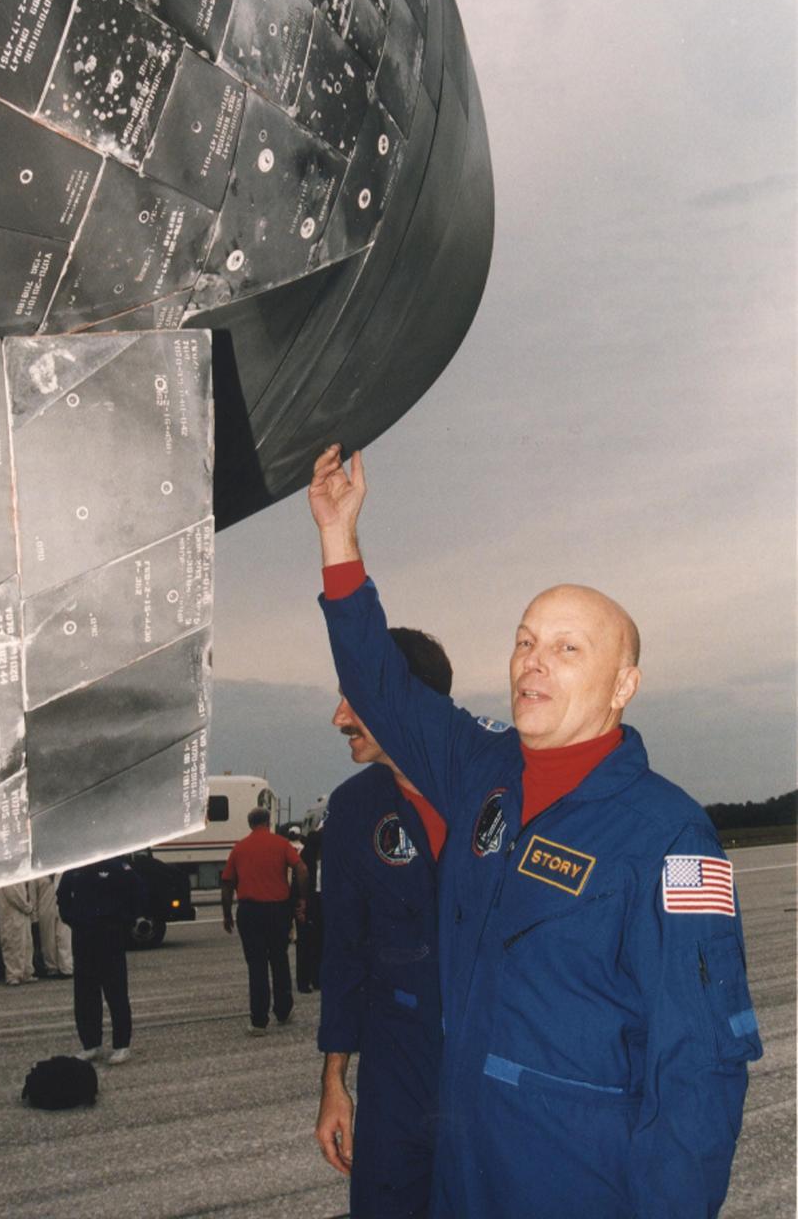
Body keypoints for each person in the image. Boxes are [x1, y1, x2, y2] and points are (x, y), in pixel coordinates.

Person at [308, 444, 762, 1219]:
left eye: (566, 648)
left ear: (622, 685)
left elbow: (698, 1068)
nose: (533, 662)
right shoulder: (483, 774)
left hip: (573, 1178)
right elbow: (380, 684)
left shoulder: (668, 836)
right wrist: (338, 539)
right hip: (463, 1164)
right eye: (524, 640)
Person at [315, 627, 452, 1219]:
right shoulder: (352, 809)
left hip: (491, 1058)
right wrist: (334, 1083)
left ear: (405, 697)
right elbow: (343, 953)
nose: (338, 716)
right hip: (397, 1066)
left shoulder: (496, 788)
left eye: (355, 698)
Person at [221, 808, 309, 1035]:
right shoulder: (281, 844)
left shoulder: (239, 848)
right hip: (278, 910)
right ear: (268, 822)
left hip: (250, 911)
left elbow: (228, 883)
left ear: (250, 825)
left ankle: (259, 1020)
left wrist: (227, 913)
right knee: (279, 959)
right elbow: (301, 869)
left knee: (257, 965)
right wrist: (301, 898)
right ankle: (283, 1009)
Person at [57, 857, 147, 1064]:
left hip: (110, 935)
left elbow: (139, 892)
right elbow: (62, 896)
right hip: (83, 936)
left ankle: (121, 1045)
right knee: (85, 993)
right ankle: (91, 1044)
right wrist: (72, 919)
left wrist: (124, 919)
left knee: (116, 992)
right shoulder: (76, 867)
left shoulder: (117, 866)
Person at [295, 825, 322, 994]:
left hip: (309, 901)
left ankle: (304, 981)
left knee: (305, 944)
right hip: (317, 901)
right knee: (317, 943)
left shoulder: (305, 855)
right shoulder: (322, 858)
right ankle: (315, 978)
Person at [0, 881, 36, 986]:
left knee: (26, 944)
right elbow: (14, 896)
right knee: (13, 944)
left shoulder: (20, 876)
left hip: (23, 914)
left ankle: (26, 972)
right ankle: (13, 975)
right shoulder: (7, 878)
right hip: (13, 914)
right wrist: (27, 907)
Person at [34, 873, 73, 978]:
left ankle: (66, 968)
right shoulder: (38, 876)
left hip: (62, 907)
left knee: (64, 937)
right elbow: (34, 895)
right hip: (45, 909)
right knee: (48, 940)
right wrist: (34, 915)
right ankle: (52, 968)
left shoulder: (63, 872)